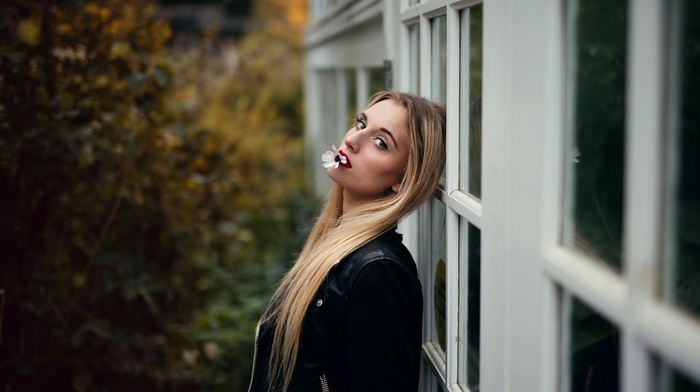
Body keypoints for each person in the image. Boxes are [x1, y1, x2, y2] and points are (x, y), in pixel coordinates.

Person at [247, 91, 446, 392]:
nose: (352, 140)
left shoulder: (378, 272)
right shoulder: (338, 247)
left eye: (381, 143)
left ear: (403, 180)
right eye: (361, 124)